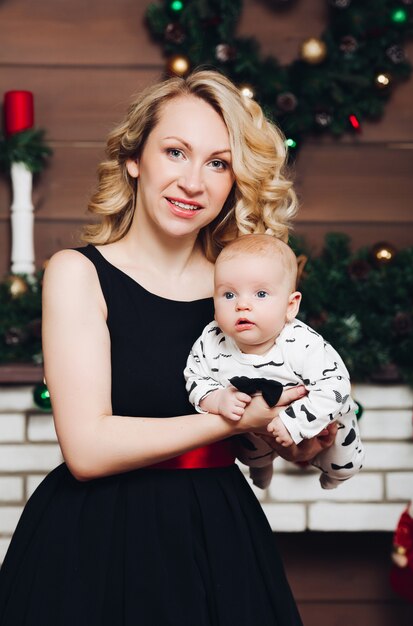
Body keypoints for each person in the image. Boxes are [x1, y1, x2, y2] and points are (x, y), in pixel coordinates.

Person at [0, 69, 338, 626]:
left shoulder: (242, 292)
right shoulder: (77, 274)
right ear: (134, 158)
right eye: (176, 152)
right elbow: (86, 450)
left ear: (234, 181)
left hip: (216, 536)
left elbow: (272, 427)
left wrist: (298, 443)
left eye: (218, 163)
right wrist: (232, 420)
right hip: (94, 541)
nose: (193, 183)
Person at [185, 233, 364, 489]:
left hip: (316, 411)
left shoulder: (301, 343)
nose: (242, 305)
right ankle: (261, 469)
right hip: (252, 421)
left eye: (260, 293)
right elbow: (194, 376)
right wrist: (215, 398)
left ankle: (335, 477)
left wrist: (295, 421)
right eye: (228, 295)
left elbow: (336, 388)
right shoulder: (212, 340)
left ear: (290, 306)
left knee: (344, 460)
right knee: (249, 450)